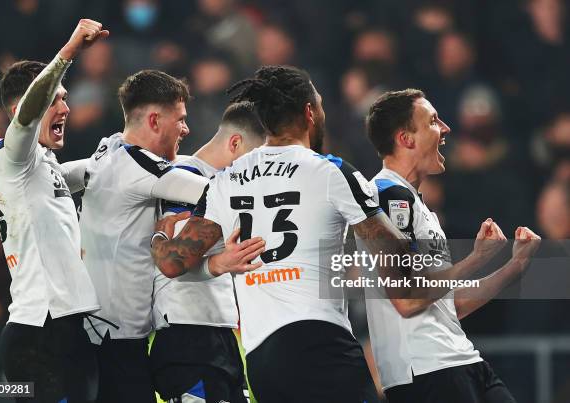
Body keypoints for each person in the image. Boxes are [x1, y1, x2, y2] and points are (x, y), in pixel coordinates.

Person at [150, 65, 411, 403]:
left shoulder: (226, 180)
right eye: (319, 104)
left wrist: (159, 238)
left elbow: (173, 264)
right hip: (320, 342)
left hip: (262, 360)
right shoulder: (330, 169)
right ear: (309, 112)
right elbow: (393, 252)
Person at [78, 70, 258, 403]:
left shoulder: (109, 155)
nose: (186, 129)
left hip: (126, 334)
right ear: (155, 120)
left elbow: (67, 173)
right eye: (181, 119)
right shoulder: (158, 172)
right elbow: (217, 197)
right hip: (129, 335)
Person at [364, 88, 541, 403]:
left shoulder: (416, 205)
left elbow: (450, 304)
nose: (445, 129)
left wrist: (514, 267)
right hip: (425, 370)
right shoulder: (387, 197)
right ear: (406, 139)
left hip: (461, 359)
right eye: (433, 121)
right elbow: (407, 299)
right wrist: (475, 258)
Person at [0, 19, 109, 403]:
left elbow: (94, 172)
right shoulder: (10, 155)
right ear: (27, 109)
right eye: (57, 98)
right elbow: (27, 115)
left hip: (64, 328)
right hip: (39, 332)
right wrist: (69, 50)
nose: (66, 108)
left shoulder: (42, 165)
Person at [149, 101, 266, 402]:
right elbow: (171, 261)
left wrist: (219, 264)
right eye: (256, 157)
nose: (259, 169)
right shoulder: (183, 178)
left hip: (220, 333)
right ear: (235, 142)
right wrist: (216, 265)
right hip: (187, 333)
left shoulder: (225, 185)